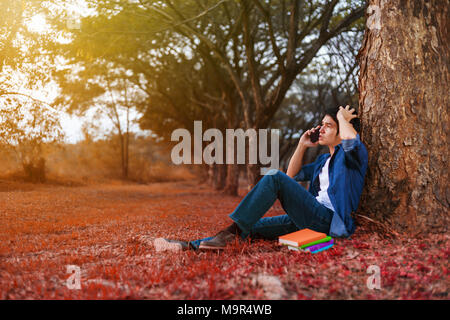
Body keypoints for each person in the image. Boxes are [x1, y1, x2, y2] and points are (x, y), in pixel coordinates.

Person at [153, 105, 368, 252]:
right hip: (306, 217)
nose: (321, 129)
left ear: (343, 130)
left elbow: (350, 140)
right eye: (321, 124)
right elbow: (290, 176)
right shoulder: (323, 162)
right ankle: (187, 246)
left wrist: (341, 117)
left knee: (273, 176)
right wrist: (302, 145)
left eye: (328, 125)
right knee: (250, 227)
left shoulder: (353, 156)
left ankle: (229, 234)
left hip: (328, 222)